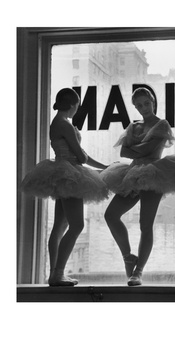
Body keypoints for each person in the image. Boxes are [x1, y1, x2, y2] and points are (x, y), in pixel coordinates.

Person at [101, 87, 175, 286]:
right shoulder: (134, 127)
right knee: (110, 215)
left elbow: (148, 149)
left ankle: (138, 272)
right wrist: (137, 150)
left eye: (146, 103)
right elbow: (124, 153)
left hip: (154, 174)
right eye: (139, 105)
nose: (144, 108)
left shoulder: (162, 124)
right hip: (132, 174)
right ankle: (128, 257)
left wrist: (134, 149)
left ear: (153, 102)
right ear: (135, 107)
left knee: (145, 224)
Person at [21, 88, 109, 286]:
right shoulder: (65, 125)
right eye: (77, 106)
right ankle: (58, 273)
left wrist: (103, 166)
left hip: (62, 172)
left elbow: (81, 154)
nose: (76, 110)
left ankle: (54, 273)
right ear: (72, 105)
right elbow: (81, 156)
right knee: (77, 225)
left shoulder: (57, 123)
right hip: (70, 175)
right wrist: (95, 164)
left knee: (61, 225)